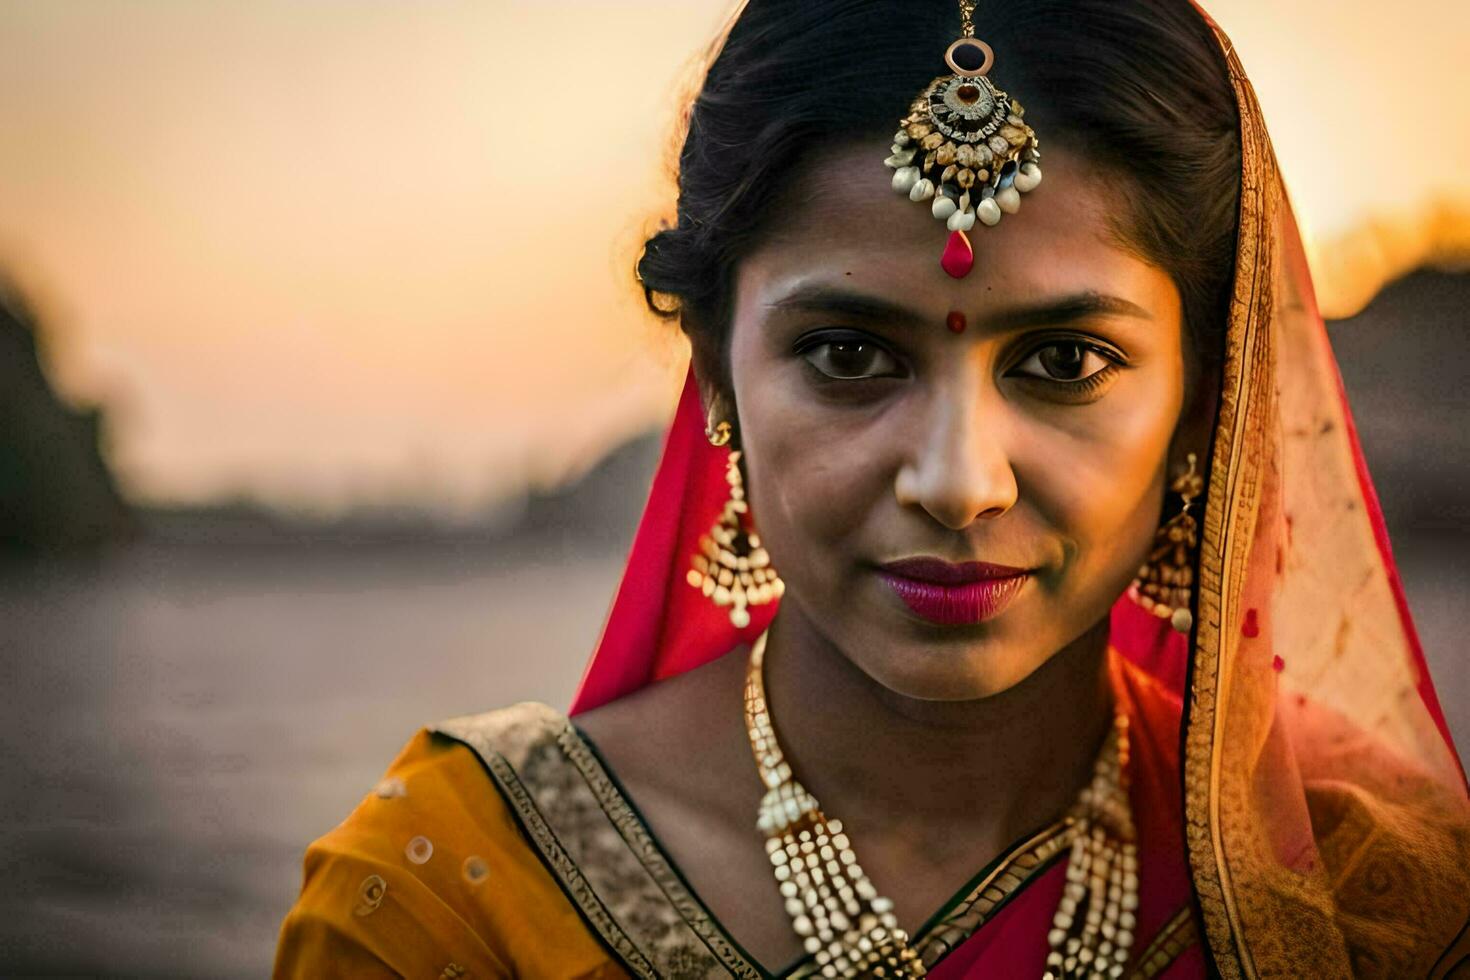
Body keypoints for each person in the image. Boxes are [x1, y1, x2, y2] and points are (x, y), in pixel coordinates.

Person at [273, 0, 1470, 976]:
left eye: (1065, 362)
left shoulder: (1362, 892)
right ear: (718, 379)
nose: (958, 480)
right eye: (850, 355)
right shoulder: (452, 904)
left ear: (1210, 399)